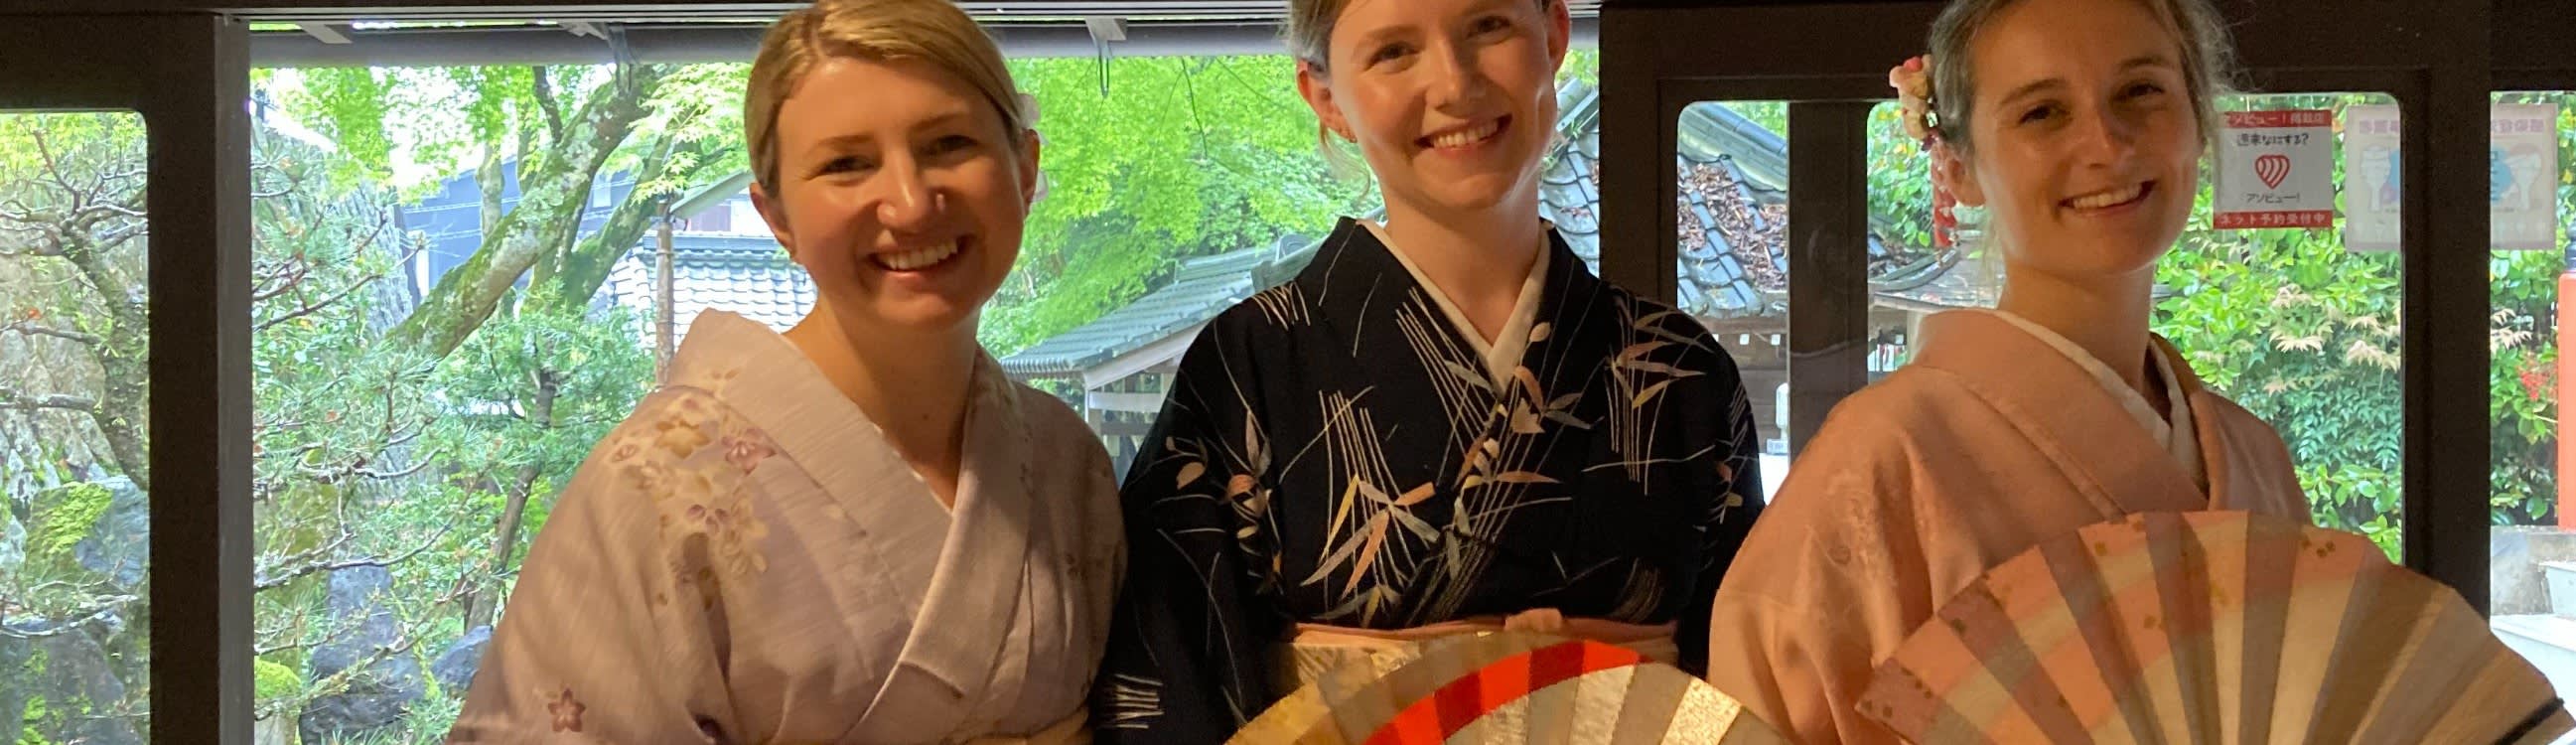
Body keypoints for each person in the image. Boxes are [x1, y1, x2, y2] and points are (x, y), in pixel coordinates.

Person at [1087, 0, 1764, 739]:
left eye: (1488, 27)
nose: (1454, 83)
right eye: (1393, 52)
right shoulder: (1250, 366)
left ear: (1554, 35)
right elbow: (1170, 682)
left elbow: (1744, 682)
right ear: (1325, 95)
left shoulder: (1680, 369)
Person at [447, 1, 1120, 741]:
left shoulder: (1066, 461)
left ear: (1024, 169)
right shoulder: (653, 482)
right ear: (778, 219)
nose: (909, 204)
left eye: (950, 144)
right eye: (846, 164)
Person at [1706, 0, 2317, 742]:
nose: (2106, 142)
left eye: (2141, 91)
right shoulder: (1882, 460)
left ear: (2198, 120)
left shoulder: (2255, 460)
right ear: (1957, 166)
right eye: (2042, 113)